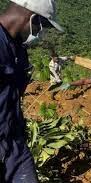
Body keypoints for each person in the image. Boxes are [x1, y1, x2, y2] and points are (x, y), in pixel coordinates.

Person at [0, 0, 63, 182]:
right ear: (33, 18)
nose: (40, 32)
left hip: (15, 141)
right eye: (42, 25)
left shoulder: (19, 50)